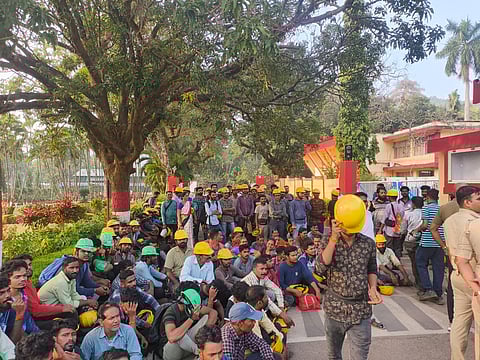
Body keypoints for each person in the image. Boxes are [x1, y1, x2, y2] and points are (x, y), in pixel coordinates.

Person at [315, 194, 382, 360]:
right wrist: (333, 239)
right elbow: (320, 268)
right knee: (334, 356)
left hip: (361, 309)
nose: (350, 234)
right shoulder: (329, 241)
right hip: (334, 309)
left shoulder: (368, 243)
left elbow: (371, 268)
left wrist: (373, 287)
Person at [443, 185, 480, 359]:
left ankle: (457, 357)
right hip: (473, 276)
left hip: (457, 274)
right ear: (467, 202)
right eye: (478, 199)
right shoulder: (474, 223)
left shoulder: (449, 221)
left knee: (459, 322)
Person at [161, 284, 217, 360]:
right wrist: (191, 319)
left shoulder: (192, 307)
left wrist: (204, 335)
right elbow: (171, 337)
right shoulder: (171, 312)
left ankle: (201, 348)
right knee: (179, 335)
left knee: (206, 317)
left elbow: (213, 312)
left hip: (188, 344)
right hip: (172, 350)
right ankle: (199, 352)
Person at [12, 254, 73, 324]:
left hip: (39, 313)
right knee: (68, 316)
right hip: (34, 320)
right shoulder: (23, 286)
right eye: (25, 266)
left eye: (30, 264)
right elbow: (35, 311)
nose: (28, 268)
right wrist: (61, 308)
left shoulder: (28, 281)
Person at [38, 238, 109, 298]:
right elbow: (75, 290)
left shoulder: (84, 264)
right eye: (83, 251)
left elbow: (87, 282)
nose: (87, 254)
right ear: (77, 251)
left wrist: (99, 287)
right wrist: (95, 290)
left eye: (89, 252)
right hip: (54, 294)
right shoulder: (71, 266)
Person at [241, 257, 294, 326]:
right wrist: (282, 314)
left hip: (260, 305)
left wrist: (281, 307)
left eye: (266, 269)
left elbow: (277, 290)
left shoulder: (263, 277)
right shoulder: (248, 280)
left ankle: (273, 311)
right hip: (248, 310)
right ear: (254, 269)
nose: (265, 272)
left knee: (289, 298)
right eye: (262, 269)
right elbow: (265, 299)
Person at [416, 189, 446, 304]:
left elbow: (425, 225)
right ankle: (438, 294)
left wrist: (416, 230)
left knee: (420, 263)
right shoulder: (441, 208)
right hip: (440, 242)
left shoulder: (426, 208)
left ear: (427, 197)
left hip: (427, 242)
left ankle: (428, 289)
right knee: (438, 268)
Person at [0, 271, 38, 344]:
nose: (7, 295)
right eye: (1, 293)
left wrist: (19, 316)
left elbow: (14, 340)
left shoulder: (10, 307)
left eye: (8, 291)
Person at [245, 286, 285, 353]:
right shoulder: (250, 319)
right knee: (275, 356)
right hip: (248, 350)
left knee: (278, 329)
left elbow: (268, 325)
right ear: (259, 303)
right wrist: (274, 353)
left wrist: (280, 338)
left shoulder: (257, 308)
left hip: (257, 340)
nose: (268, 299)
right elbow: (258, 342)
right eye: (266, 297)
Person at [402, 196, 424, 290]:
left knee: (414, 262)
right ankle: (423, 280)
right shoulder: (425, 213)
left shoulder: (408, 214)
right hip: (423, 240)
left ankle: (418, 281)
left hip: (410, 240)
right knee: (423, 262)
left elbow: (403, 228)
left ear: (413, 204)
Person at [378, 189, 404, 259]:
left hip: (389, 230)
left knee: (389, 247)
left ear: (389, 197)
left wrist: (380, 229)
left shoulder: (388, 206)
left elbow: (384, 218)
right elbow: (402, 217)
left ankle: (390, 261)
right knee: (397, 247)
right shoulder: (401, 205)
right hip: (397, 228)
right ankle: (397, 262)